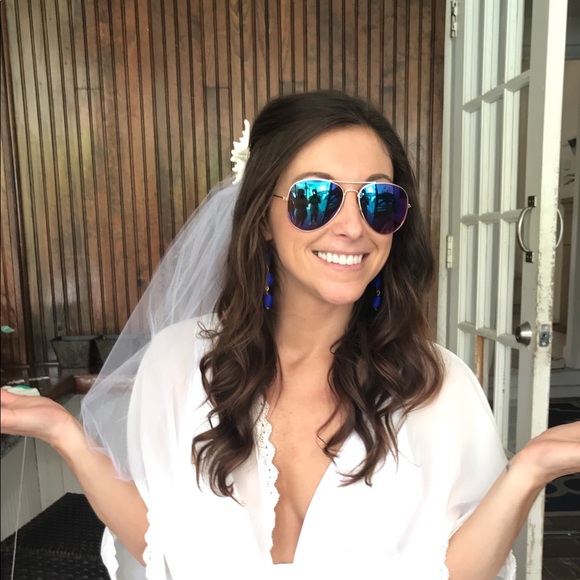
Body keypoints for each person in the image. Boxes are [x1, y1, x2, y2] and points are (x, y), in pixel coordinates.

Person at [1, 90, 579, 579]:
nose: (352, 226)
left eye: (378, 200)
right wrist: (63, 433)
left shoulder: (436, 384)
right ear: (262, 217)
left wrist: (531, 468)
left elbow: (456, 570)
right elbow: (160, 541)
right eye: (315, 198)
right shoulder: (178, 364)